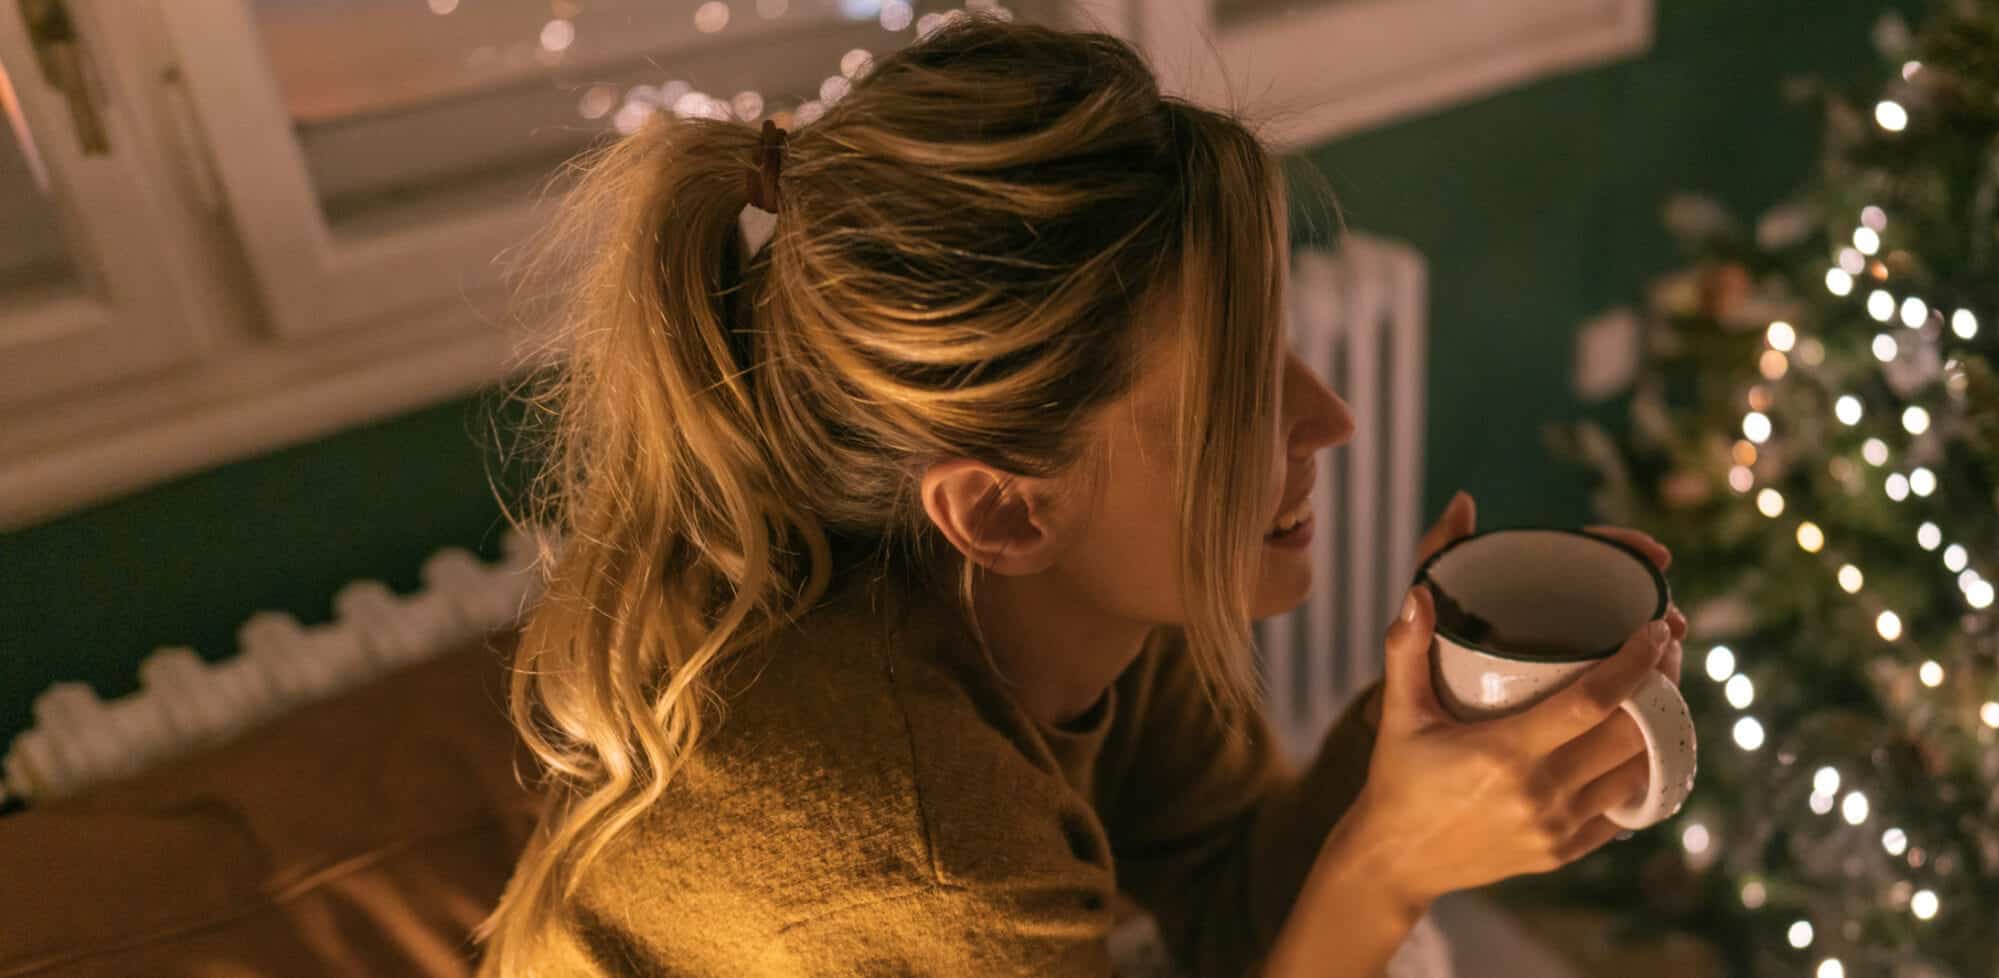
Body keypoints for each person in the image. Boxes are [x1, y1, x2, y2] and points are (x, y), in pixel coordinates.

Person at [474, 15, 1687, 978]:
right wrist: (1382, 875)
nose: (1329, 418)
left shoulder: (1091, 613)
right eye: (1235, 399)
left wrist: (1399, 731)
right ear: (1005, 512)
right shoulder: (921, 856)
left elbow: (1226, 896)